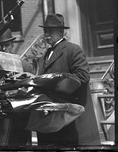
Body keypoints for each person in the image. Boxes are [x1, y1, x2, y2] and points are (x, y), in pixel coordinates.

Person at [36, 13, 100, 146]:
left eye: (50, 30)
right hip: (50, 119)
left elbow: (83, 76)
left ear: (60, 32)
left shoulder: (72, 50)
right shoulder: (44, 56)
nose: (46, 34)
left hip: (69, 119)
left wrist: (56, 83)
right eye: (45, 30)